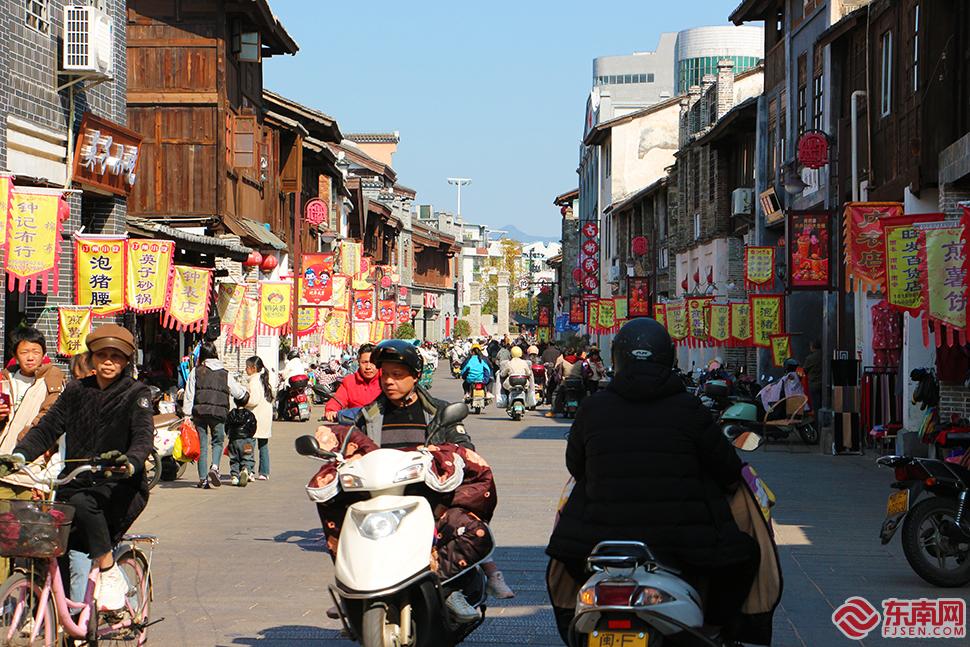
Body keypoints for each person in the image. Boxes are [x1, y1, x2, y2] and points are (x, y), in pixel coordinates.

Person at [546, 318, 760, 643]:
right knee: (744, 556)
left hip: (598, 539)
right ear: (669, 358)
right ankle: (713, 630)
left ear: (617, 358)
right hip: (683, 541)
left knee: (567, 566)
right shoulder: (690, 409)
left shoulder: (593, 408)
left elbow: (575, 465)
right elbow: (727, 470)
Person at [314, 340, 513, 621]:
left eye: (397, 375)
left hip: (430, 499)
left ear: (415, 376)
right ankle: (351, 589)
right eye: (385, 375)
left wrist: (447, 453)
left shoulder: (438, 411)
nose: (389, 381)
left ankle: (451, 588)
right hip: (380, 498)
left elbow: (464, 447)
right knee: (342, 517)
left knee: (468, 528)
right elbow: (351, 446)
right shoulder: (368, 415)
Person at [0, 324, 153, 611]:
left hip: (118, 484)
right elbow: (46, 429)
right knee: (51, 540)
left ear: (126, 361)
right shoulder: (75, 391)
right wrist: (19, 457)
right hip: (75, 480)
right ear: (92, 358)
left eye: (116, 356)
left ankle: (108, 571)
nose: (109, 361)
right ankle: (64, 619)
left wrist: (131, 463)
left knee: (84, 503)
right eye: (103, 355)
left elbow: (144, 436)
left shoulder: (136, 393)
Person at [0, 327, 67, 575]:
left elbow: (52, 416)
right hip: (3, 469)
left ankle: (35, 599)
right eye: (25, 351)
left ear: (44, 354)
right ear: (15, 355)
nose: (31, 357)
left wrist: (32, 432)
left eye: (36, 352)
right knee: (4, 539)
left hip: (33, 472)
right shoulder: (4, 380)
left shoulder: (52, 378)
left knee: (32, 541)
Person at [183, 341, 248, 488]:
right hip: (219, 413)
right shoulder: (225, 373)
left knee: (202, 445)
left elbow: (189, 393)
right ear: (215, 354)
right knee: (217, 442)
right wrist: (244, 393)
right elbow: (238, 392)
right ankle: (215, 467)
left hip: (200, 413)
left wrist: (187, 414)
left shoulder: (196, 371)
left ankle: (203, 479)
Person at [324, 344, 381, 421]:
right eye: (364, 362)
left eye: (373, 362)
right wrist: (331, 411)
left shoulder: (386, 379)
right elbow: (338, 400)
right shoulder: (350, 381)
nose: (368, 367)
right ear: (358, 363)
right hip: (356, 427)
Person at [244, 356, 274, 480]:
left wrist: (243, 402)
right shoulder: (264, 379)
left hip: (255, 417)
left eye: (247, 367)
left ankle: (248, 469)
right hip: (265, 417)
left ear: (253, 368)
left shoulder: (254, 381)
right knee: (263, 446)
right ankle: (264, 472)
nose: (246, 369)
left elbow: (254, 400)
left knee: (248, 444)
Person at [226, 405, 257, 486]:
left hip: (234, 440)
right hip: (247, 440)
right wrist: (250, 435)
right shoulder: (250, 414)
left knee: (234, 459)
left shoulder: (231, 414)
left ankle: (234, 476)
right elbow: (254, 426)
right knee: (247, 457)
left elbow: (226, 426)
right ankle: (246, 469)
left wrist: (229, 434)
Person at [803, 340, 823, 412]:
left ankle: (818, 422)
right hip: (824, 384)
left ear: (812, 347)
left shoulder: (810, 358)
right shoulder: (824, 355)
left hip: (814, 383)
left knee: (816, 405)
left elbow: (804, 370)